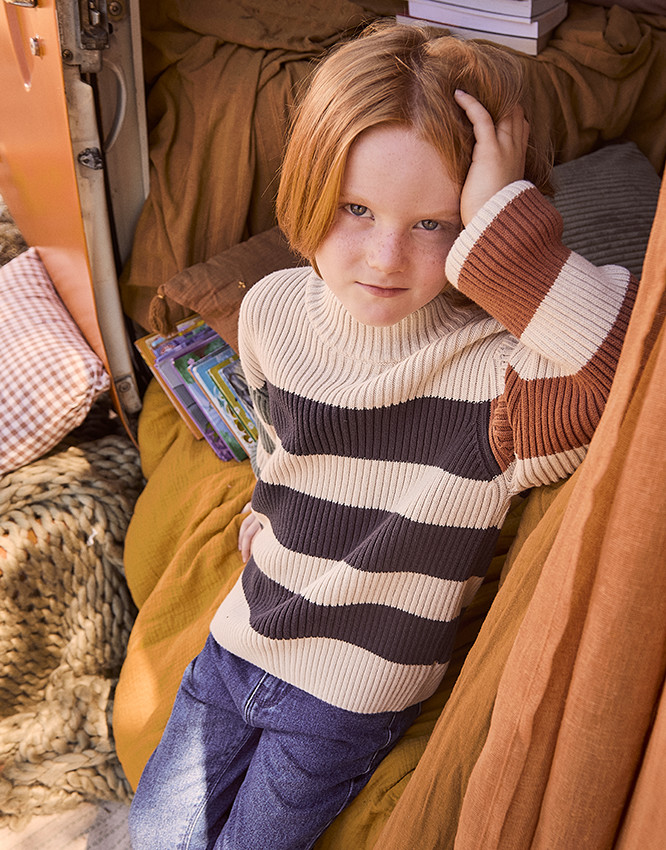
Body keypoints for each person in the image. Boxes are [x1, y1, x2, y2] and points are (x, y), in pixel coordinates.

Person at [128, 21, 637, 850]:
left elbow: (635, 370)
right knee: (152, 838)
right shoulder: (271, 311)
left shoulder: (503, 380)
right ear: (308, 189)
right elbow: (279, 443)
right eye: (356, 209)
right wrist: (264, 510)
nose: (384, 258)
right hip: (238, 639)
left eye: (434, 223)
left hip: (346, 698)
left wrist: (506, 225)